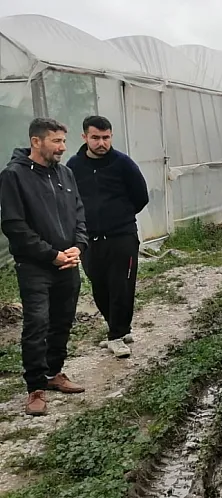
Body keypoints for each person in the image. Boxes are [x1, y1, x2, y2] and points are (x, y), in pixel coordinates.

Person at [0, 118, 87, 416]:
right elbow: (14, 226)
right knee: (37, 323)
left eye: (63, 141)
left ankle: (54, 373)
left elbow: (78, 212)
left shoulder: (65, 173)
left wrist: (79, 245)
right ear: (36, 142)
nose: (63, 147)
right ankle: (35, 387)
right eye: (56, 141)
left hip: (67, 263)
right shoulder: (14, 176)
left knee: (62, 320)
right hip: (35, 265)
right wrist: (52, 255)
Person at [67, 115, 149, 359]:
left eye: (106, 137)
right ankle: (118, 330)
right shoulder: (73, 166)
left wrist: (120, 217)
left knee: (122, 285)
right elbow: (69, 199)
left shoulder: (123, 164)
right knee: (99, 285)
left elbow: (141, 196)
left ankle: (117, 334)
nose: (101, 142)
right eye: (95, 138)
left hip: (121, 236)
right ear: (85, 137)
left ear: (111, 136)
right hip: (89, 238)